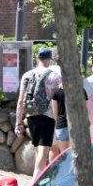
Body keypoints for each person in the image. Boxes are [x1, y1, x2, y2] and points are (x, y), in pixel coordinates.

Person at [15, 47, 61, 178]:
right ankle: (36, 180)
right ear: (49, 59)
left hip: (31, 115)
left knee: (38, 149)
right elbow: (59, 99)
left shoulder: (27, 75)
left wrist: (18, 123)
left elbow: (21, 101)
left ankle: (38, 176)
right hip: (48, 116)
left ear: (37, 58)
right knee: (43, 149)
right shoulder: (54, 76)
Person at [49, 76, 70, 159]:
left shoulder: (56, 92)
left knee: (64, 156)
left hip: (61, 125)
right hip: (76, 126)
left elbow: (55, 113)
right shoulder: (80, 90)